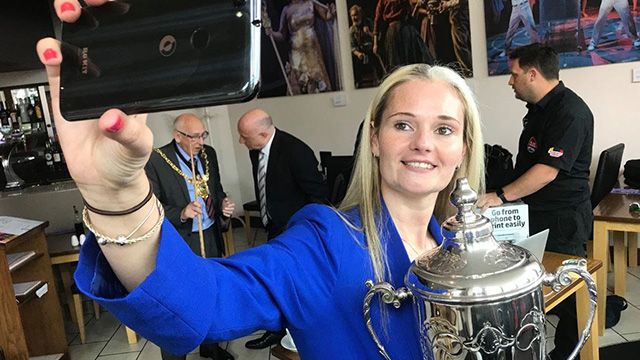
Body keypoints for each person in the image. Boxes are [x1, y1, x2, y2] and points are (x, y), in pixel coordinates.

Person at [38, 3, 484, 357]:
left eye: (444, 129)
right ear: (374, 139)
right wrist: (115, 193)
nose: (424, 143)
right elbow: (199, 306)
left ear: (463, 148)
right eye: (403, 124)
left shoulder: (454, 246)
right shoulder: (324, 243)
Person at [477, 43, 594, 360]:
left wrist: (500, 196)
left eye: (513, 74)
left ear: (532, 73)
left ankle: (572, 354)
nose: (509, 81)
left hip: (561, 218)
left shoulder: (570, 112)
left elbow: (546, 171)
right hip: (535, 212)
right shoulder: (541, 110)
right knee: (531, 289)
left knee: (567, 296)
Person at [144, 113, 235, 359]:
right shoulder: (157, 160)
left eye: (203, 135)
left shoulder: (209, 154)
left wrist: (223, 206)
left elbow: (215, 189)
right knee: (178, 299)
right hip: (181, 240)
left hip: (210, 234)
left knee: (210, 292)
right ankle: (176, 354)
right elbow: (151, 206)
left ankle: (210, 345)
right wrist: (181, 213)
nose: (200, 141)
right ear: (177, 136)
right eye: (194, 137)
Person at [236, 108, 328, 349]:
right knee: (277, 279)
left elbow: (319, 198)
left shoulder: (297, 152)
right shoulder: (255, 151)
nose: (240, 141)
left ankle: (299, 335)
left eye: (244, 136)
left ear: (263, 134)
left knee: (294, 283)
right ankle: (277, 329)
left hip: (295, 231)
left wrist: (304, 235)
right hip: (274, 225)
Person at [264, 0, 336, 95]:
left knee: (316, 82)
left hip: (312, 50)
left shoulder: (311, 3)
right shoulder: (287, 10)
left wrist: (331, 13)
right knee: (299, 82)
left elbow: (326, 17)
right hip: (297, 51)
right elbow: (282, 35)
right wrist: (271, 32)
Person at [373, 0, 432, 71]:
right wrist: (375, 43)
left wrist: (416, 7)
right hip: (394, 32)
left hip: (405, 29)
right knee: (397, 62)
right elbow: (377, 21)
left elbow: (411, 17)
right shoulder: (383, 1)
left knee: (411, 60)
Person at [349, 4, 385, 88]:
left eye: (356, 15)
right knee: (353, 60)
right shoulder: (352, 30)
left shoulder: (368, 23)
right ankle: (358, 82)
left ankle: (380, 79)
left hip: (371, 48)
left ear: (360, 14)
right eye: (352, 16)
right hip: (360, 52)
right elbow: (352, 46)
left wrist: (368, 33)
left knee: (376, 55)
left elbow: (377, 37)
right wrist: (358, 54)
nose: (354, 18)